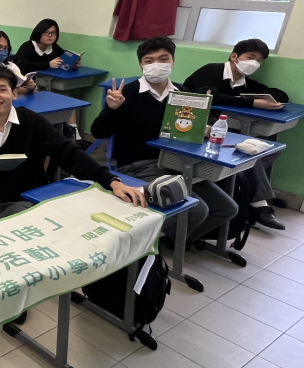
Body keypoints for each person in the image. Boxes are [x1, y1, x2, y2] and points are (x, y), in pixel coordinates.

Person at [90, 36, 238, 244]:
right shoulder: (127, 94)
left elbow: (194, 127)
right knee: (197, 210)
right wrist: (112, 110)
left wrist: (205, 129)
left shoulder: (183, 93)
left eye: (163, 59)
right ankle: (164, 244)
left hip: (178, 163)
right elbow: (98, 132)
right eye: (149, 61)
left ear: (173, 61)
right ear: (141, 65)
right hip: (139, 166)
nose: (156, 65)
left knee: (227, 208)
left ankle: (173, 242)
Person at [0, 66, 144, 225]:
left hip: (25, 196)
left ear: (14, 93)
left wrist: (111, 181)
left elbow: (67, 153)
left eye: (2, 89)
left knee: (9, 227)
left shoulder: (32, 122)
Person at [182, 38, 290, 230]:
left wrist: (262, 98)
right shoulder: (211, 71)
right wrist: (253, 102)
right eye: (251, 57)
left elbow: (280, 95)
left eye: (259, 60)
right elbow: (211, 97)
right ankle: (259, 205)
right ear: (234, 56)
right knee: (247, 151)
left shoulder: (242, 82)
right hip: (193, 125)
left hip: (218, 126)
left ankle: (249, 192)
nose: (255, 63)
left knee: (269, 148)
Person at [12, 19, 82, 138]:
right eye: (46, 32)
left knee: (68, 99)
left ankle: (74, 134)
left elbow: (63, 59)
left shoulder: (53, 47)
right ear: (38, 32)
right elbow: (22, 65)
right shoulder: (28, 46)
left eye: (53, 33)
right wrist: (48, 64)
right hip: (24, 86)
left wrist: (73, 64)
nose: (50, 36)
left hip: (43, 85)